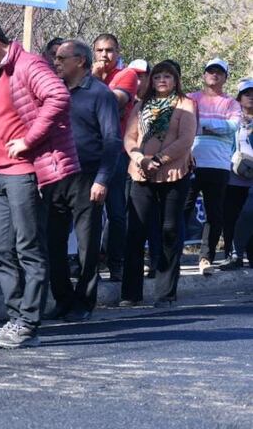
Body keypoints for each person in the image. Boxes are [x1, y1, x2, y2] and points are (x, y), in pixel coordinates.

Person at [0, 19, 79, 349]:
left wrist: (28, 140)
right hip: (1, 173)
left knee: (28, 247)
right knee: (0, 248)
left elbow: (58, 96)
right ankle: (16, 318)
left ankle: (29, 322)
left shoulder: (28, 64)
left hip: (25, 171)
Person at [46, 40, 121, 322]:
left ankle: (84, 302)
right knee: (53, 242)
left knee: (87, 245)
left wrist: (102, 179)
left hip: (88, 177)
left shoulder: (100, 95)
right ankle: (62, 299)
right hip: (55, 176)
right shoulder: (54, 92)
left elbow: (112, 140)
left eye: (62, 58)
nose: (57, 62)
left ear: (79, 61)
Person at [120, 60, 197, 307]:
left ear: (176, 80)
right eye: (157, 77)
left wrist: (160, 159)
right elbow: (130, 137)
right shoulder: (141, 105)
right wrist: (140, 158)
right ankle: (131, 294)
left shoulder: (186, 104)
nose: (161, 80)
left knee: (169, 231)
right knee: (135, 231)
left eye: (167, 76)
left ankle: (165, 293)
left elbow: (186, 139)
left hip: (173, 173)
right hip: (141, 172)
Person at [185, 58, 243, 275]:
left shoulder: (231, 103)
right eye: (210, 71)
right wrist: (213, 127)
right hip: (190, 162)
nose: (214, 75)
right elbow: (184, 123)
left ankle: (205, 258)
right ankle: (167, 256)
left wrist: (204, 125)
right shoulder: (191, 99)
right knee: (182, 210)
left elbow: (233, 125)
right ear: (204, 75)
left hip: (218, 165)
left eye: (219, 72)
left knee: (214, 214)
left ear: (225, 77)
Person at [91, 33, 139, 282]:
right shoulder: (88, 77)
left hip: (116, 152)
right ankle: (89, 264)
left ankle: (116, 263)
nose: (104, 56)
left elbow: (114, 102)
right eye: (99, 51)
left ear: (118, 52)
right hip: (90, 152)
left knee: (116, 212)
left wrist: (95, 81)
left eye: (109, 50)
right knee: (89, 213)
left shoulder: (126, 75)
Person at [222, 78, 253, 269]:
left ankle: (245, 254)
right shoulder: (233, 119)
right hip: (233, 177)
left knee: (249, 214)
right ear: (239, 98)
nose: (251, 97)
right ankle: (233, 256)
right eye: (247, 94)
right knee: (231, 216)